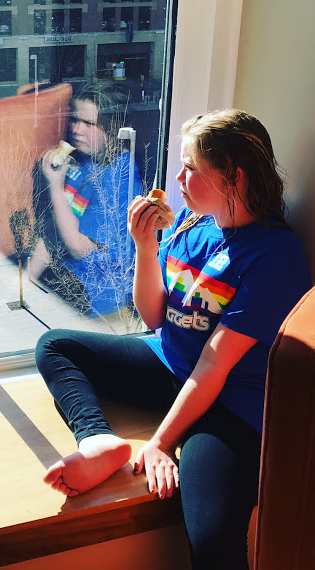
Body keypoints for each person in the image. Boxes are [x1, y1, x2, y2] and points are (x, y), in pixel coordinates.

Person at [34, 109, 312, 569]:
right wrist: (145, 247)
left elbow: (215, 365)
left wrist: (161, 443)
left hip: (229, 403)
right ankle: (99, 441)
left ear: (233, 177)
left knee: (213, 541)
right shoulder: (191, 223)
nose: (178, 178)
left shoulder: (275, 255)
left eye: (191, 168)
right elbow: (153, 316)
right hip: (171, 366)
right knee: (56, 347)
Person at [28, 82, 142, 316]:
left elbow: (80, 249)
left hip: (96, 291)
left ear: (111, 128)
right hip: (65, 270)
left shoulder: (119, 174)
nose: (76, 130)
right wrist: (24, 281)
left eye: (88, 124)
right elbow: (52, 232)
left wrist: (55, 186)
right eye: (74, 120)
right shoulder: (81, 161)